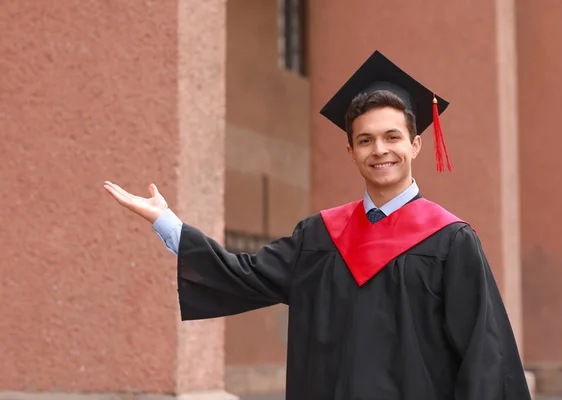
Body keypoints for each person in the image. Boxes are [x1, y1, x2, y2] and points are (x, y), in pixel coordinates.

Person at [104, 50, 531, 399]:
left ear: (416, 144)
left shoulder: (449, 241)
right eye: (365, 140)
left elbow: (484, 356)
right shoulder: (321, 236)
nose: (379, 150)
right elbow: (244, 275)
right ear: (350, 151)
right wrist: (168, 223)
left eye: (392, 137)